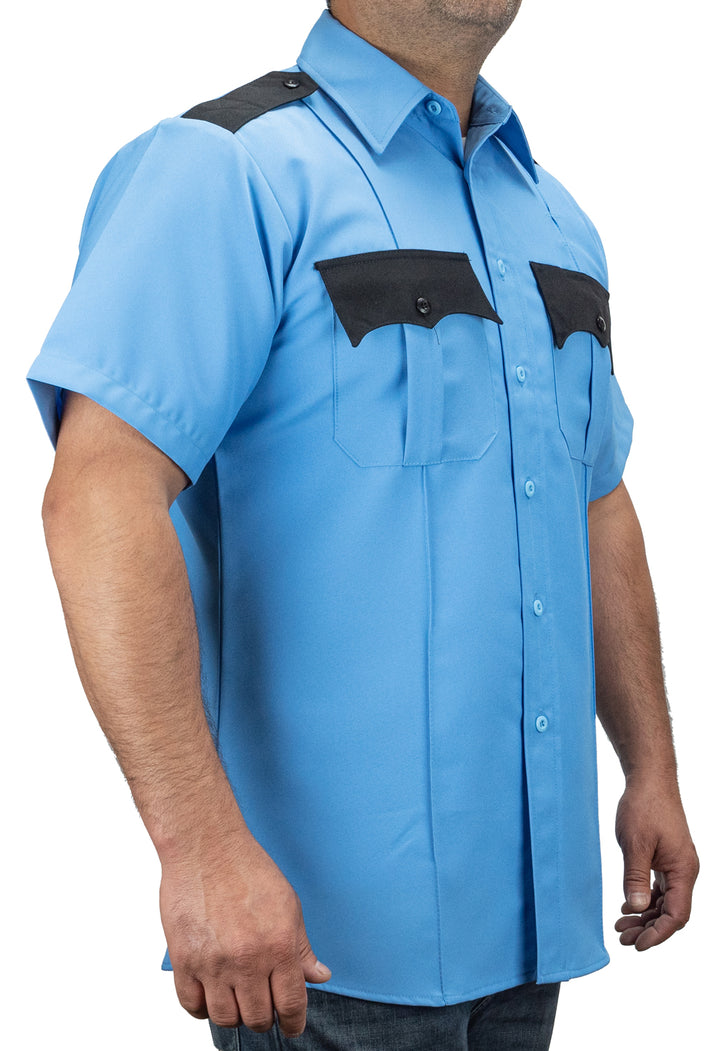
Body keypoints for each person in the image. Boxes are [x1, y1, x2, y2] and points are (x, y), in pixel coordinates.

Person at [27, 1, 699, 1048]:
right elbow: (98, 497)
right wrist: (197, 849)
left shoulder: (553, 218)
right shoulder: (228, 170)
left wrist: (652, 766)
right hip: (316, 945)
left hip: (531, 928)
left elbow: (597, 501)